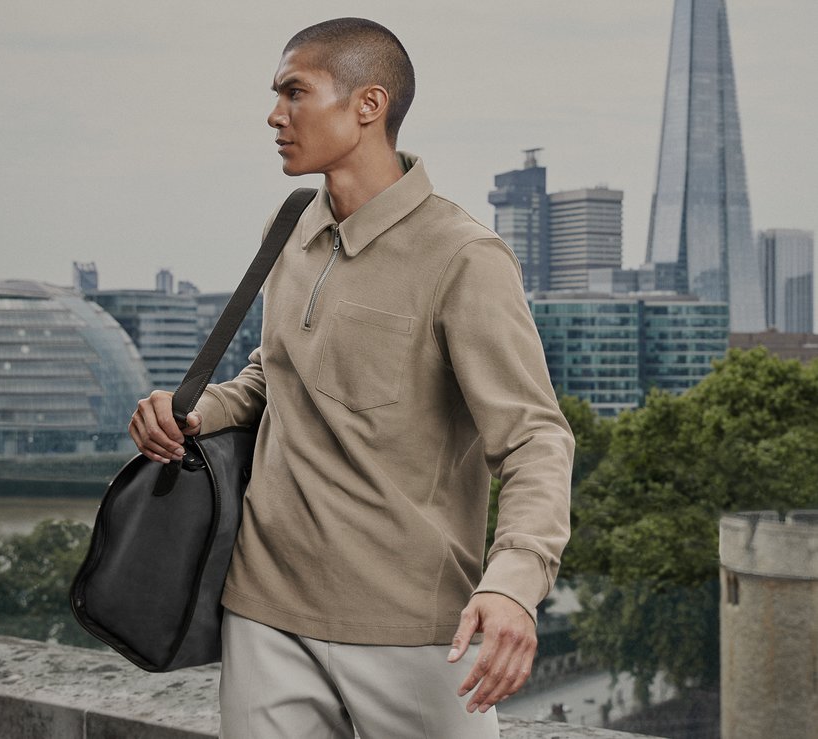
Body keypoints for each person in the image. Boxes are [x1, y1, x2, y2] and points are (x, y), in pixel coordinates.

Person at [129, 17, 574, 739]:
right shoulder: (289, 225)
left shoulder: (464, 256)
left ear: (367, 106)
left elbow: (534, 440)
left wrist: (514, 586)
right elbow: (272, 376)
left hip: (415, 630)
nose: (275, 115)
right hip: (263, 612)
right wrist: (193, 411)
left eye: (294, 92)